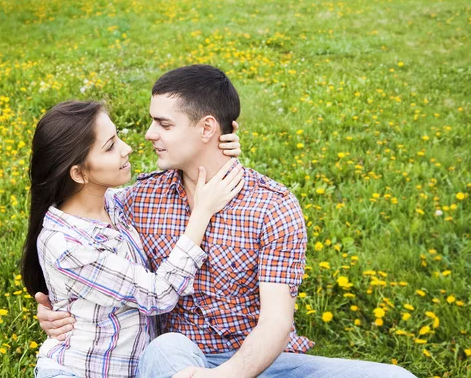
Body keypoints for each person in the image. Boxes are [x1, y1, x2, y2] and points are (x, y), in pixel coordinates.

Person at [37, 65, 416, 378]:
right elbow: (76, 235)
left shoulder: (273, 206)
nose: (148, 135)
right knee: (168, 348)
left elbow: (276, 322)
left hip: (260, 362)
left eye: (163, 125)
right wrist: (55, 307)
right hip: (176, 362)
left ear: (206, 129)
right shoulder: (135, 200)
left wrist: (229, 375)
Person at [21, 99, 245, 378]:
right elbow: (157, 294)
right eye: (111, 146)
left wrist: (215, 149)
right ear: (79, 173)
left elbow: (173, 179)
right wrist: (201, 214)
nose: (127, 149)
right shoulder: (66, 245)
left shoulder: (115, 204)